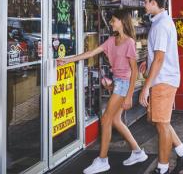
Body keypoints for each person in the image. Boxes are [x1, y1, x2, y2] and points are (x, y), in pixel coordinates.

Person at [57, 9, 148, 174]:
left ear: (122, 22)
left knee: (106, 119)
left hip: (124, 84)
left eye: (113, 20)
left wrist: (128, 96)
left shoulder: (129, 43)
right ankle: (137, 152)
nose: (111, 23)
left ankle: (103, 160)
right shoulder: (111, 40)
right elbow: (91, 53)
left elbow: (134, 71)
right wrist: (67, 60)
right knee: (115, 121)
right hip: (118, 83)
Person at [139, 0, 183, 174]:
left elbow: (159, 58)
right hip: (162, 78)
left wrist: (145, 87)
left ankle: (162, 169)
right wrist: (146, 64)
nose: (144, 5)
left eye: (145, 2)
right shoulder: (161, 22)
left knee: (162, 124)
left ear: (153, 2)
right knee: (159, 121)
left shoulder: (162, 25)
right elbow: (156, 57)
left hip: (162, 80)